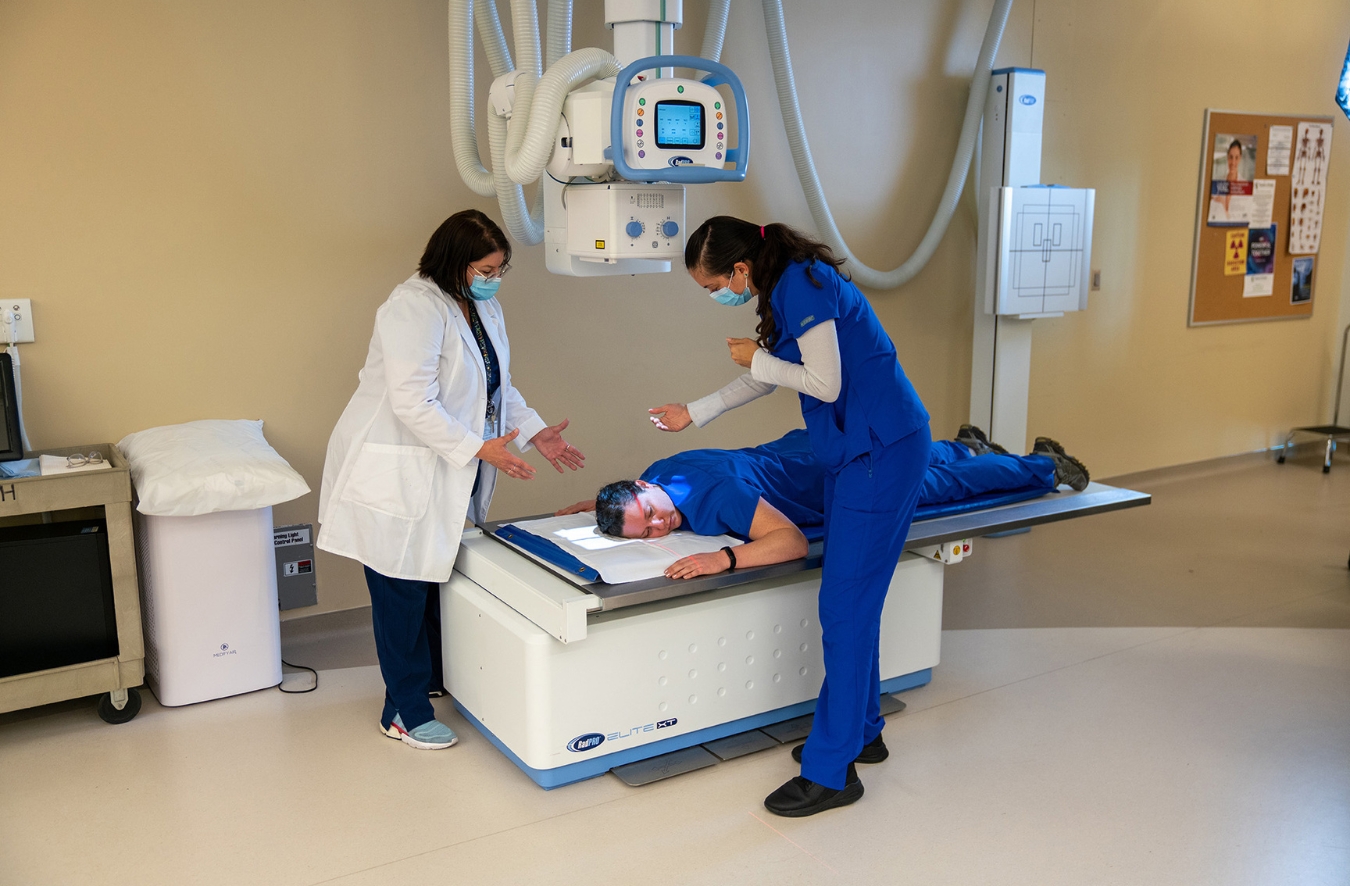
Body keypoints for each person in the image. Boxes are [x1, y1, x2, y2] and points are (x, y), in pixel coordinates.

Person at [647, 216, 931, 817]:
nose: (715, 297)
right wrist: (692, 413)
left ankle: (833, 773)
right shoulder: (786, 286)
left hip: (879, 452)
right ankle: (863, 730)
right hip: (861, 449)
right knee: (855, 604)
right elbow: (765, 377)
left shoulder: (800, 284)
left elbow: (822, 384)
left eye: (712, 286)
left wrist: (756, 357)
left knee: (844, 608)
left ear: (740, 269)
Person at [317, 210, 585, 751]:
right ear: (454, 262)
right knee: (400, 587)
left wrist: (535, 434)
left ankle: (433, 680)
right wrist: (477, 447)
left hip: (444, 464)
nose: (496, 277)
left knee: (433, 576)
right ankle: (403, 710)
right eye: (487, 268)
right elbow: (411, 400)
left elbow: (497, 387)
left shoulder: (483, 305)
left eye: (501, 268)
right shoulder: (412, 308)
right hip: (397, 466)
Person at [556, 426, 1090, 580]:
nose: (659, 526)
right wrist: (591, 508)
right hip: (803, 450)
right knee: (911, 450)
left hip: (835, 480)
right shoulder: (654, 476)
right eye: (645, 531)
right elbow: (630, 508)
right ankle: (965, 445)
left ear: (645, 490)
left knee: (935, 487)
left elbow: (787, 542)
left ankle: (1043, 463)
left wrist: (724, 559)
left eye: (650, 515)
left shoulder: (719, 497)